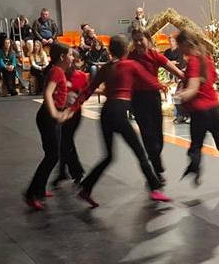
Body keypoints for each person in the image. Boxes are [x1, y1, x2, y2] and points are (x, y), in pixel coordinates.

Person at [69, 35, 171, 207]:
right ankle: (154, 188)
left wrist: (73, 108)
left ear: (111, 50)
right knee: (140, 153)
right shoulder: (131, 65)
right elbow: (150, 81)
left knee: (108, 156)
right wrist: (162, 86)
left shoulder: (106, 68)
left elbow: (88, 89)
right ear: (126, 50)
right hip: (119, 112)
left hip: (106, 112)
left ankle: (86, 188)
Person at [174, 29, 219, 190]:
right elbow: (213, 78)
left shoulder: (193, 62)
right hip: (214, 109)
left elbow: (192, 89)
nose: (178, 49)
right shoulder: (207, 58)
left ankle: (195, 166)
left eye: (179, 45)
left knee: (195, 147)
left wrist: (180, 96)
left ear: (185, 44)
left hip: (200, 111)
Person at [128, 29, 184, 183]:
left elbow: (177, 72)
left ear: (148, 39)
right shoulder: (130, 58)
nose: (138, 43)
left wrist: (193, 79)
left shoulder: (155, 55)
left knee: (158, 136)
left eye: (141, 39)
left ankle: (153, 159)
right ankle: (156, 168)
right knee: (147, 135)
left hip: (153, 98)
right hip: (137, 99)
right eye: (135, 40)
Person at [23, 43, 72, 210]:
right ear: (62, 57)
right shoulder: (56, 71)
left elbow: (57, 91)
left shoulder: (58, 72)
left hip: (49, 117)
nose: (72, 58)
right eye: (70, 55)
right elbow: (48, 93)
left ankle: (40, 189)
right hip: (48, 117)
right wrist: (55, 114)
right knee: (52, 156)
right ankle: (31, 193)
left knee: (52, 155)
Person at [51, 55, 86, 188]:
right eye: (72, 61)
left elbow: (84, 92)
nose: (73, 65)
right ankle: (72, 171)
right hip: (62, 111)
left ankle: (69, 172)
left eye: (76, 61)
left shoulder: (81, 76)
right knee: (65, 141)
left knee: (65, 141)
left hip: (74, 113)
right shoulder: (60, 74)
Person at [164, 33, 188, 124]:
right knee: (176, 96)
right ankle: (179, 115)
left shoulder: (181, 52)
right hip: (172, 75)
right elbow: (164, 62)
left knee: (180, 95)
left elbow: (180, 63)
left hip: (180, 75)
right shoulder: (167, 52)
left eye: (173, 41)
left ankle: (185, 115)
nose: (171, 42)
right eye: (170, 41)